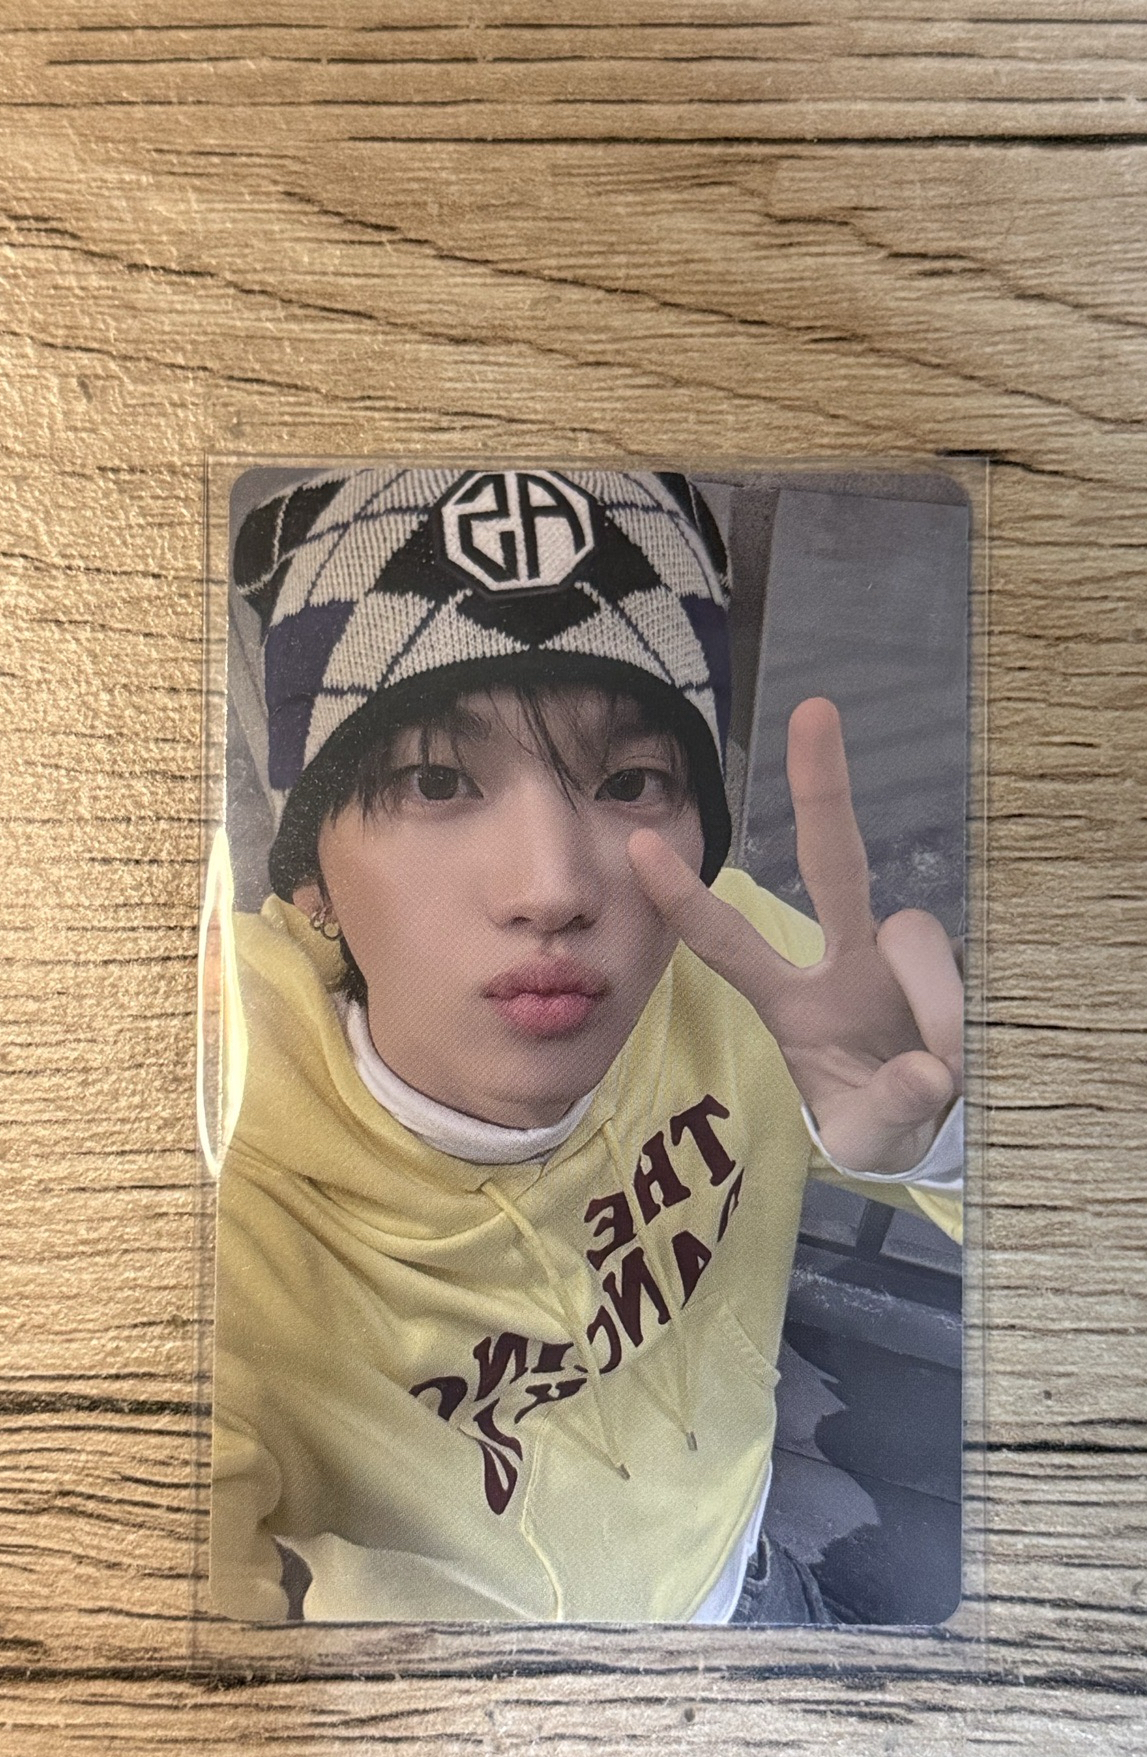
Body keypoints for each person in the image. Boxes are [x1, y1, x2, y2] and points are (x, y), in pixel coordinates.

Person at [209, 467, 963, 1625]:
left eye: (630, 780)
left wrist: (945, 1141)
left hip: (751, 1573)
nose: (554, 886)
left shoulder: (741, 964)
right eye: (437, 779)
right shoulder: (215, 1182)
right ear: (314, 875)